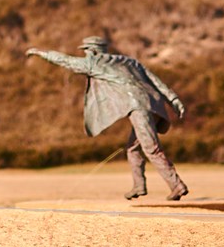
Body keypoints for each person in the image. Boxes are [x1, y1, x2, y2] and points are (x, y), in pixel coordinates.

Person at [27, 36, 189, 200]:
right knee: (133, 149)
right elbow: (156, 81)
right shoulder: (130, 62)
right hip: (154, 105)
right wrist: (174, 99)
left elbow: (65, 60)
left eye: (87, 51)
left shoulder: (94, 63)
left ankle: (176, 185)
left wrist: (41, 53)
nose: (86, 54)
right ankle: (139, 186)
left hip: (138, 107)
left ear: (94, 51)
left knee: (152, 149)